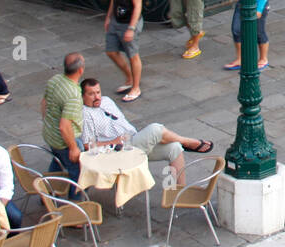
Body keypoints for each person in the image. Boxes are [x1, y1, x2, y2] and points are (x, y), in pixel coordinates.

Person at [79, 78, 213, 185]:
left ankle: (176, 192)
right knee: (155, 129)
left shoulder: (106, 101)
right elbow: (87, 145)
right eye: (91, 94)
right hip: (119, 151)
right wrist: (113, 141)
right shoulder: (85, 113)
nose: (97, 97)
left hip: (134, 139)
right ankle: (189, 142)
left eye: (98, 92)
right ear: (83, 96)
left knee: (175, 147)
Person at [105, 0, 144, 102]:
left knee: (133, 55)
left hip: (128, 21)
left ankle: (136, 87)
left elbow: (138, 6)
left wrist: (131, 28)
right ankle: (129, 78)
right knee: (111, 51)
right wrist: (108, 17)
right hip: (116, 19)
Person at [41, 53, 86, 181]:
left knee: (58, 162)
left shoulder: (54, 80)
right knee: (78, 175)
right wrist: (73, 148)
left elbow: (44, 103)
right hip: (63, 142)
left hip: (50, 135)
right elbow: (64, 126)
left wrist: (48, 124)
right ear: (80, 70)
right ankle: (76, 200)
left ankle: (48, 193)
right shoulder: (73, 95)